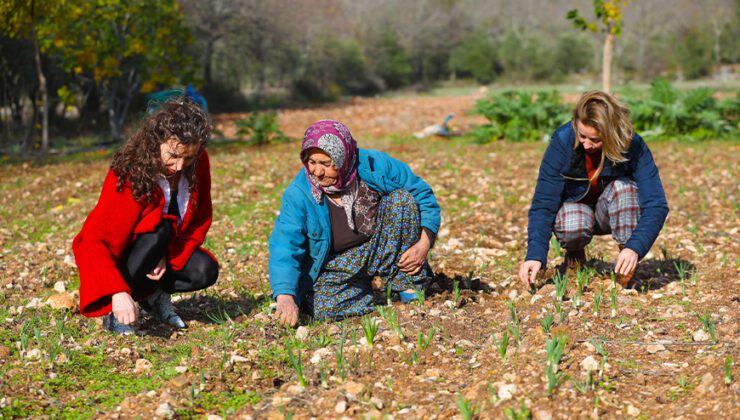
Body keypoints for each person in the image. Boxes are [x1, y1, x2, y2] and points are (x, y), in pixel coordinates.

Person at [269, 120, 440, 326]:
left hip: (381, 243)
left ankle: (407, 284)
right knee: (323, 309)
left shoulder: (374, 164)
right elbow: (285, 245)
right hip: (338, 262)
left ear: (344, 157)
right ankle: (362, 290)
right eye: (312, 162)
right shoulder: (299, 194)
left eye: (326, 163)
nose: (317, 172)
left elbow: (422, 194)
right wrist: (285, 296)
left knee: (402, 200)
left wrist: (424, 244)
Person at [73, 98, 218, 334]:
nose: (180, 166)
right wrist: (117, 291)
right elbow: (93, 240)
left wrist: (164, 254)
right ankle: (118, 310)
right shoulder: (130, 170)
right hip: (125, 260)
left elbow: (200, 218)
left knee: (204, 270)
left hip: (159, 251)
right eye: (173, 155)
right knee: (157, 233)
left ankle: (151, 296)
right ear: (156, 141)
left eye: (189, 157)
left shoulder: (198, 164)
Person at [519, 91, 668, 288]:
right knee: (574, 221)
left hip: (610, 211)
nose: (587, 144)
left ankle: (626, 266)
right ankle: (575, 256)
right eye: (582, 136)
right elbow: (544, 204)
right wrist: (535, 255)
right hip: (576, 212)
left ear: (612, 134)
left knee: (624, 189)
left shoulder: (633, 145)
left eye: (596, 140)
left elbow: (656, 204)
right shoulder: (562, 141)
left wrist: (635, 248)